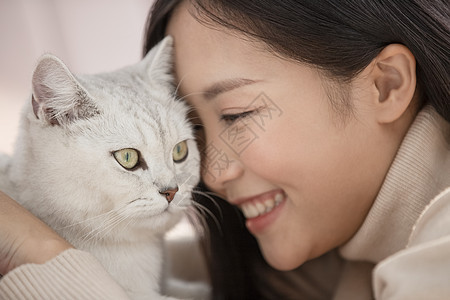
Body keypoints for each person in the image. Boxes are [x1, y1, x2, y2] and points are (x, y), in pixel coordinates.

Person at [1, 0, 449, 299]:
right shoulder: (346, 248)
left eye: (235, 116)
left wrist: (36, 254)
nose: (212, 176)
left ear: (384, 85)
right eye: (196, 130)